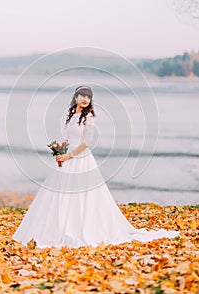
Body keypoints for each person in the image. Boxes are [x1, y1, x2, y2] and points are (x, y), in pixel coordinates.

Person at [12, 85, 180, 248]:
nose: (85, 99)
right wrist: (61, 148)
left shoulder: (89, 118)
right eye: (82, 96)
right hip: (68, 156)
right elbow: (71, 137)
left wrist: (70, 155)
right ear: (75, 98)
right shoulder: (71, 115)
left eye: (88, 97)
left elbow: (87, 143)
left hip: (80, 158)